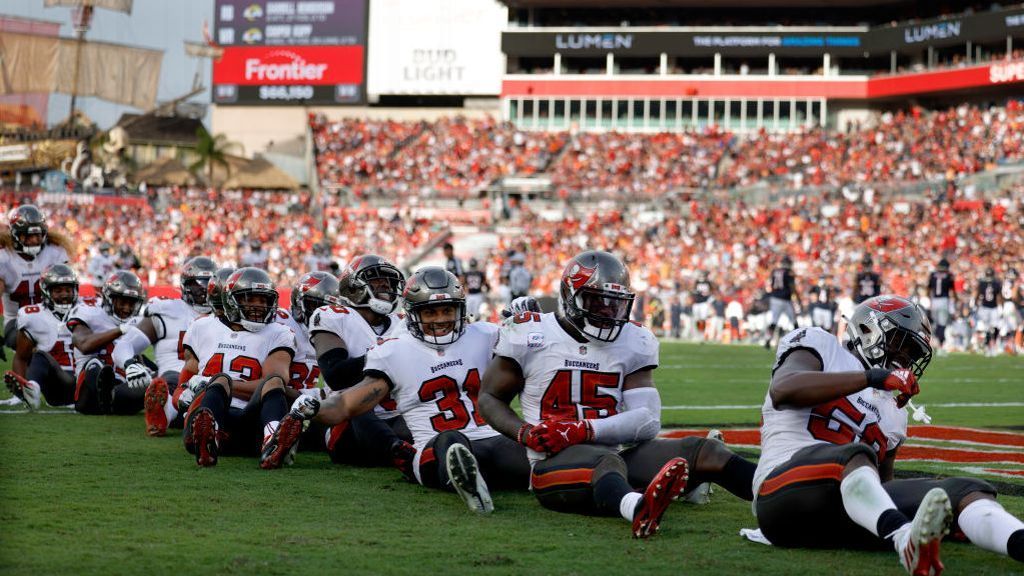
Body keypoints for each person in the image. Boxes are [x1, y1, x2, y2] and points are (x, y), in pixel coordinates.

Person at [478, 250, 757, 538]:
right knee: (606, 463)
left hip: (615, 453)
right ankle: (638, 508)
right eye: (596, 300)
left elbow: (648, 420)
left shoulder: (634, 340)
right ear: (570, 295)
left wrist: (582, 430)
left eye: (615, 303)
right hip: (553, 464)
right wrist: (524, 433)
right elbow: (490, 398)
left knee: (705, 451)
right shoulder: (530, 333)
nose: (607, 311)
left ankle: (773, 491)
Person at [754, 295, 1024, 573]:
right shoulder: (822, 345)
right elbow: (783, 390)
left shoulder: (895, 414)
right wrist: (872, 377)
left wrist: (950, 513)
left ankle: (1019, 542)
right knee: (856, 456)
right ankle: (903, 539)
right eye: (901, 344)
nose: (905, 359)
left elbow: (883, 489)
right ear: (870, 330)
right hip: (782, 496)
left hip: (847, 516)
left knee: (967, 490)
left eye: (912, 354)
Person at [264, 267, 531, 513]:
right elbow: (347, 404)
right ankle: (468, 485)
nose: (441, 319)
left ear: (460, 309)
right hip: (433, 445)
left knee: (532, 455)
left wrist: (527, 321)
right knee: (450, 441)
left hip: (490, 438)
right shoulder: (396, 351)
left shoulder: (484, 335)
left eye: (447, 310)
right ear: (414, 314)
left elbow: (530, 353)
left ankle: (505, 477)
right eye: (430, 312)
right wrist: (310, 410)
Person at [178, 267, 297, 468]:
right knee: (221, 380)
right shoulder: (202, 327)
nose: (259, 306)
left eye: (264, 300)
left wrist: (212, 382)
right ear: (231, 300)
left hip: (251, 425)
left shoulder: (279, 333)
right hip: (211, 413)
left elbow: (275, 382)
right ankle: (209, 438)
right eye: (250, 299)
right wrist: (183, 392)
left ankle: (273, 440)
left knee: (272, 381)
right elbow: (188, 372)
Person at [305, 254, 413, 468]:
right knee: (358, 406)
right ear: (353, 287)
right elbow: (336, 375)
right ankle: (400, 453)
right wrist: (388, 357)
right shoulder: (333, 315)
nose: (385, 285)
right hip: (349, 426)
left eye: (389, 281)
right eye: (376, 279)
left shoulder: (404, 322)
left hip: (397, 416)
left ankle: (410, 452)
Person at [110, 257, 217, 436]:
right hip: (176, 376)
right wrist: (129, 364)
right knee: (173, 383)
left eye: (208, 283)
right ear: (184, 285)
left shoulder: (226, 315)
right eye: (197, 284)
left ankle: (174, 414)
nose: (203, 289)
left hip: (212, 378)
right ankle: (164, 413)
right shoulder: (167, 310)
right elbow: (125, 345)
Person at [67, 270, 147, 415]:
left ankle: (113, 396)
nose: (127, 308)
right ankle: (105, 390)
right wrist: (120, 330)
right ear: (109, 299)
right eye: (123, 302)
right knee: (95, 365)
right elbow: (84, 345)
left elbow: (137, 358)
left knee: (152, 380)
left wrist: (144, 372)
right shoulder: (90, 312)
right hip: (88, 394)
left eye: (132, 303)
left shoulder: (134, 321)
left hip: (120, 390)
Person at [3, 264, 81, 410]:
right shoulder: (33, 316)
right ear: (46, 291)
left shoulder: (89, 310)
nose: (64, 294)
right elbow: (21, 357)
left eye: (68, 290)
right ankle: (30, 390)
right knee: (40, 356)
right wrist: (18, 393)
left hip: (86, 381)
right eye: (58, 290)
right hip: (58, 384)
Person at [1, 205, 71, 352]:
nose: (34, 240)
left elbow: (69, 292)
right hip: (17, 322)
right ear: (15, 235)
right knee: (35, 341)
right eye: (28, 236)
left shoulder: (55, 252)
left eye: (38, 235)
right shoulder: (5, 258)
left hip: (52, 317)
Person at [764, 256, 801, 350]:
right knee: (794, 321)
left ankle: (767, 340)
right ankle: (799, 341)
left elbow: (772, 285)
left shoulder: (774, 271)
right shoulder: (788, 273)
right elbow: (792, 286)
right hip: (785, 299)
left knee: (774, 321)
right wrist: (798, 298)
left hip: (775, 298)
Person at [926, 258, 956, 353]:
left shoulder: (933, 275)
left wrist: (930, 299)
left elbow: (928, 289)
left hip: (934, 300)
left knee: (935, 323)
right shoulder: (948, 275)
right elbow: (952, 290)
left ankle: (934, 343)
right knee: (942, 324)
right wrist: (956, 299)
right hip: (943, 300)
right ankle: (940, 345)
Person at [975, 268, 1002, 356]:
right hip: (992, 307)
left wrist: (976, 303)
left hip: (985, 307)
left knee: (989, 328)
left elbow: (978, 294)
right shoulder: (996, 283)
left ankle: (988, 347)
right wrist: (1001, 306)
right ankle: (991, 346)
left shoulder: (982, 283)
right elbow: (999, 296)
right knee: (993, 328)